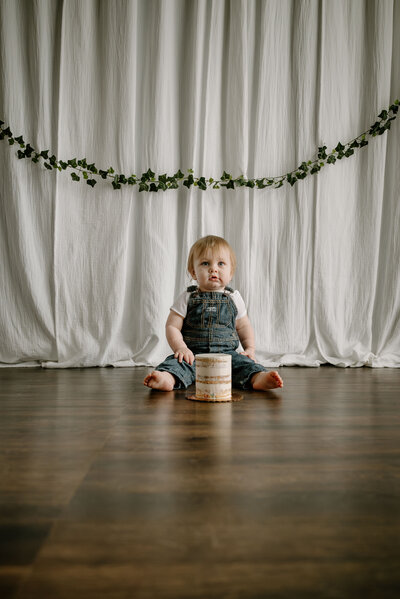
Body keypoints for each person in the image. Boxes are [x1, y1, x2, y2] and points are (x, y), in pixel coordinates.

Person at [143, 235, 283, 392]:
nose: (213, 269)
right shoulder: (187, 297)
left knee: (245, 365)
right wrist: (181, 348)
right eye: (205, 263)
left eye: (221, 263)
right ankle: (167, 378)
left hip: (227, 355)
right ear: (193, 272)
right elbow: (172, 326)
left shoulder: (234, 298)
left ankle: (258, 378)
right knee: (176, 364)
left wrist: (250, 349)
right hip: (193, 355)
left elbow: (243, 326)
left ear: (230, 273)